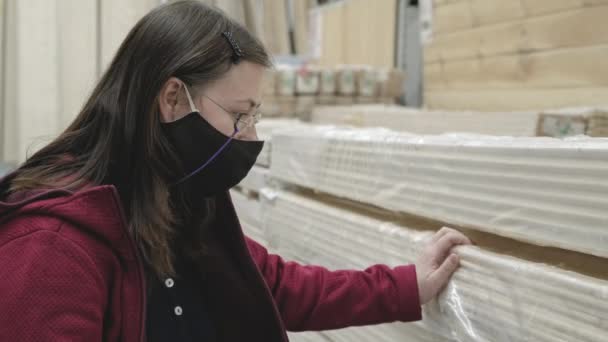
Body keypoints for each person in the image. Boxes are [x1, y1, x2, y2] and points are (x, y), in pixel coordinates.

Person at [0, 1, 471, 341]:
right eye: (238, 114)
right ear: (172, 99)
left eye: (253, 117)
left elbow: (278, 286)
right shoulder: (52, 248)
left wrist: (408, 285)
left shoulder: (177, 198)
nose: (247, 136)